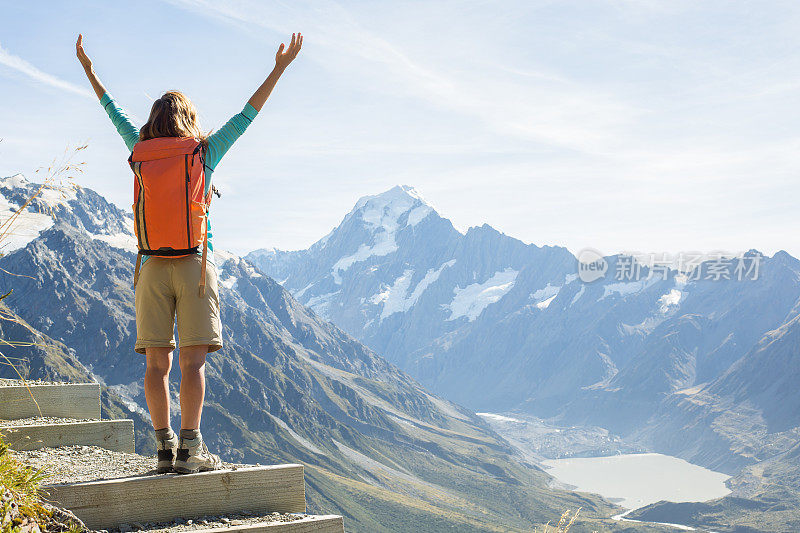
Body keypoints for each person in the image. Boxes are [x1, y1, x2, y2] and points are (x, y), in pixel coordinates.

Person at [76, 32, 302, 474]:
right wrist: (279, 67)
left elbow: (112, 110)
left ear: (153, 121)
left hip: (150, 266)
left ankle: (162, 450)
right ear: (189, 119)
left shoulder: (138, 150)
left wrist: (89, 69)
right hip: (196, 264)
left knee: (156, 364)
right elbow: (247, 114)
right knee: (192, 362)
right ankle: (190, 449)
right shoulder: (204, 152)